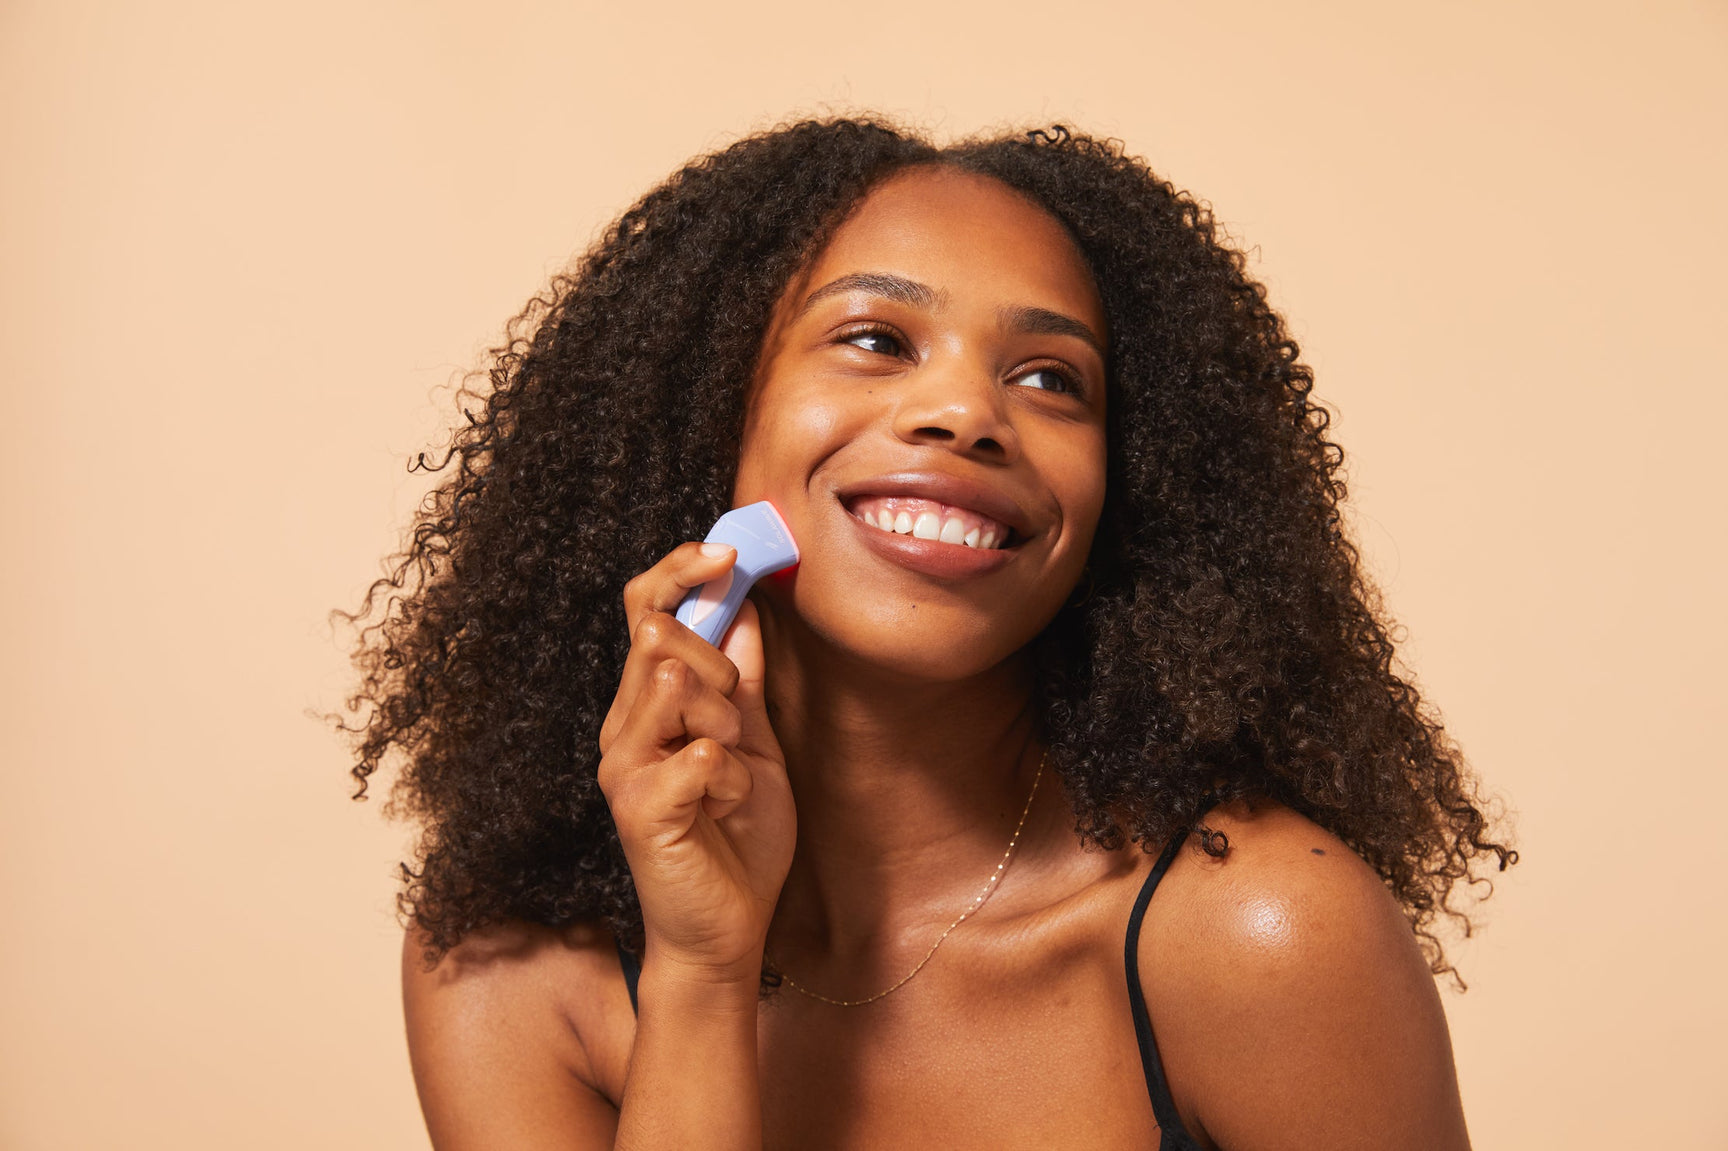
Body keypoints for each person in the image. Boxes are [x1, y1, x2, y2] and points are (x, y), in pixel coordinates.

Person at [341, 117, 1516, 1149]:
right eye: (875, 339)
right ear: (706, 415)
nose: (968, 413)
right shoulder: (511, 973)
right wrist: (701, 973)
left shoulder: (1259, 935)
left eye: (1053, 378)